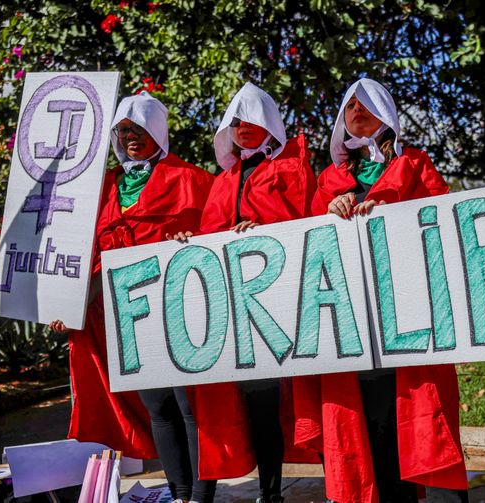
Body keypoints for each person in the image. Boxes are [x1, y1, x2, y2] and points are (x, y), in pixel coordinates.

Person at [293, 78, 469, 503]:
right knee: (365, 422)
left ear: (386, 115)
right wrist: (329, 212)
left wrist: (399, 214)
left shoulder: (414, 164)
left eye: (366, 104)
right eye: (350, 105)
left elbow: (442, 223)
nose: (356, 110)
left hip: (408, 317)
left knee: (408, 420)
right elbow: (311, 246)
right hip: (353, 324)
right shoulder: (328, 179)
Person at [49, 92, 216, 503]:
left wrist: (192, 240)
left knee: (191, 407)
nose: (130, 137)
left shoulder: (192, 179)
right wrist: (68, 302)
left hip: (182, 308)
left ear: (157, 131)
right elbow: (88, 252)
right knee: (158, 407)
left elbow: (215, 234)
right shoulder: (106, 188)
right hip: (129, 315)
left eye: (138, 128)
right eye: (122, 130)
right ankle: (179, 494)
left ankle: (200, 496)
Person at [174, 82, 317, 503]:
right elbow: (208, 232)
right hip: (228, 307)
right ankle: (208, 491)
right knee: (224, 405)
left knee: (263, 404)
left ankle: (270, 492)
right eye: (235, 121)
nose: (242, 127)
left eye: (250, 119)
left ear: (268, 124)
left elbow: (305, 223)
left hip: (269, 304)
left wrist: (264, 231)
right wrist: (190, 239)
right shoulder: (224, 179)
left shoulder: (293, 168)